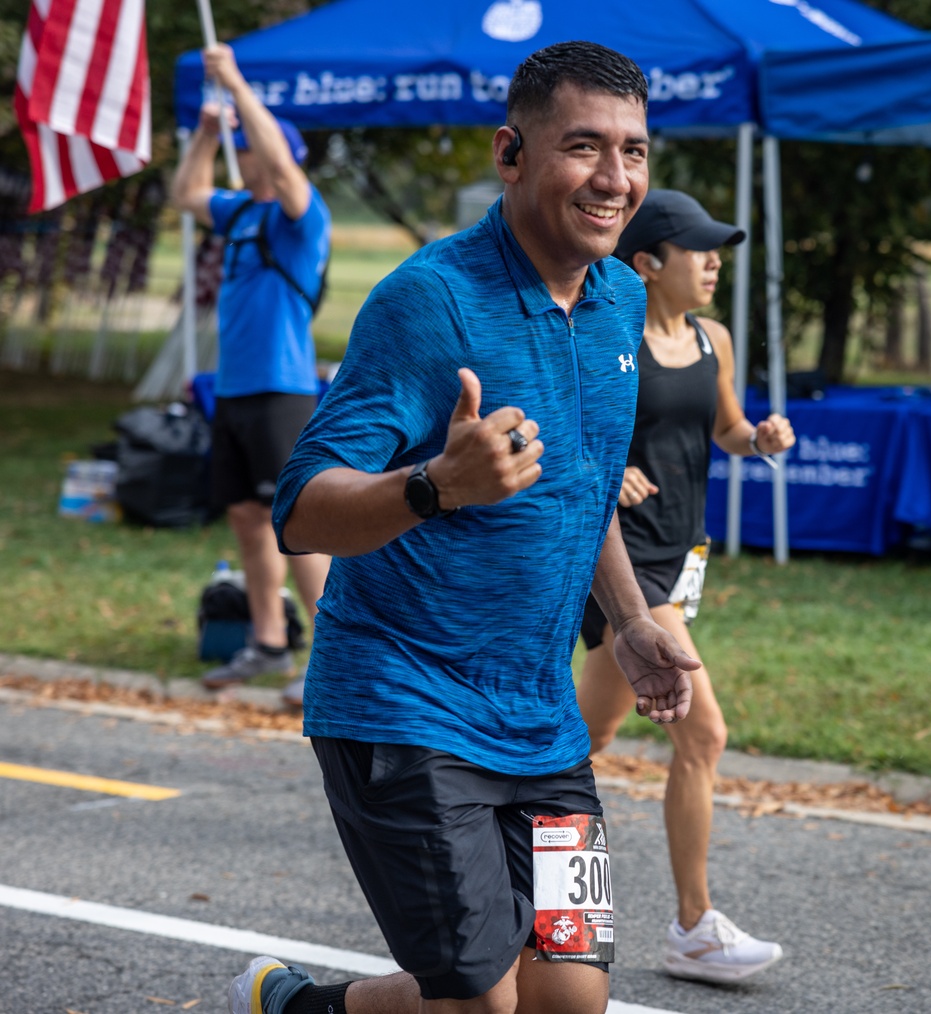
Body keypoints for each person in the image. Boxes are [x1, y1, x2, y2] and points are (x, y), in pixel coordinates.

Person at [224, 41, 704, 1014]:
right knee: (480, 1001)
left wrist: (630, 618)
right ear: (510, 154)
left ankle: (305, 1008)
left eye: (635, 151)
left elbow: (584, 483)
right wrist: (434, 486)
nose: (615, 179)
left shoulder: (617, 298)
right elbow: (301, 509)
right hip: (406, 706)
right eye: (582, 147)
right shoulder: (430, 302)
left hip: (541, 722)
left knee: (568, 999)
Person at [576, 188, 796, 985]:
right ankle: (695, 926)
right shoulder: (609, 338)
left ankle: (490, 818)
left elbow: (726, 427)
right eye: (696, 250)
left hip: (682, 555)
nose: (711, 263)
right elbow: (571, 430)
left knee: (583, 742)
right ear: (647, 263)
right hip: (623, 567)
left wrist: (758, 438)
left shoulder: (713, 339)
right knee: (702, 735)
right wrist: (615, 469)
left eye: (716, 250)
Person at [170, 44, 331, 704]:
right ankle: (268, 642)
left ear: (277, 155)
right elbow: (186, 193)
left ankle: (331, 656)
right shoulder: (240, 212)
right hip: (233, 391)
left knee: (298, 526)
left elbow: (289, 176)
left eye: (263, 150)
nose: (255, 157)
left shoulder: (302, 218)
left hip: (281, 391)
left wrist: (235, 84)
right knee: (246, 517)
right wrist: (208, 135)